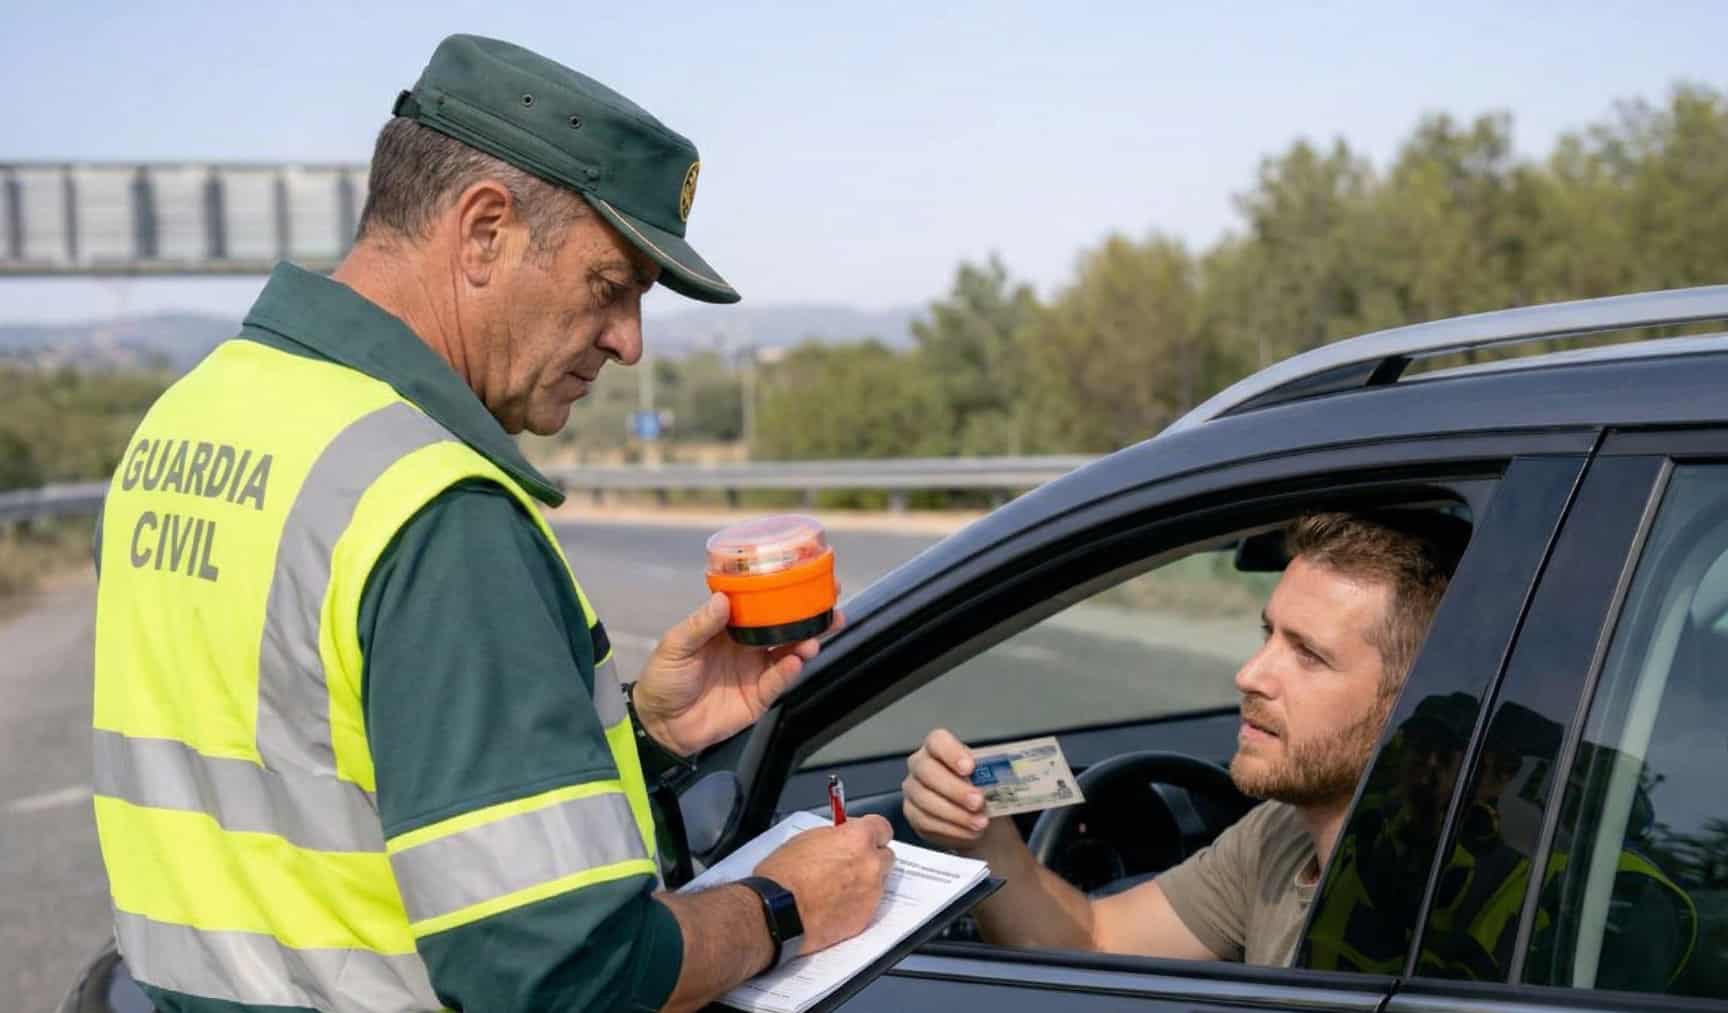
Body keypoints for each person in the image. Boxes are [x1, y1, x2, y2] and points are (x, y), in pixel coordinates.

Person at [91, 34, 892, 1013]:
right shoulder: (430, 505)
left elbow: (320, 767)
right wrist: (783, 905)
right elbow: (559, 972)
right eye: (612, 287)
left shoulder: (192, 417)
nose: (630, 343)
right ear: (483, 231)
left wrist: (637, 734)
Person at [901, 511, 1464, 966]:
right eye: (1268, 634)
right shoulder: (1280, 831)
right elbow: (1095, 941)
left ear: (1411, 701)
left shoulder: (1433, 906)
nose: (1250, 674)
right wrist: (983, 837)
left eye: (1309, 655)